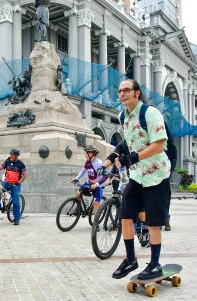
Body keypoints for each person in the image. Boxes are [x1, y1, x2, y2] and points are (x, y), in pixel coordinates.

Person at [108, 79, 171, 280]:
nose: (122, 94)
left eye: (126, 90)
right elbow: (130, 139)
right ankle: (131, 259)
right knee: (125, 216)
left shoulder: (150, 113)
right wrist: (113, 156)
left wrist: (133, 158)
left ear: (137, 93)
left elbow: (159, 145)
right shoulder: (122, 116)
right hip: (137, 176)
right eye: (119, 91)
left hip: (156, 176)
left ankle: (154, 264)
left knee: (153, 222)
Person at [103, 140, 150, 248]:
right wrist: (104, 169)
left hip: (138, 181)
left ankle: (145, 227)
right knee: (125, 211)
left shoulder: (134, 153)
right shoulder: (119, 157)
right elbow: (113, 165)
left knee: (140, 211)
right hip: (123, 184)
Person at [0, 149, 27, 225]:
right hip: (6, 183)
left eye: (12, 154)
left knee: (16, 202)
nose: (11, 156)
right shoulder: (7, 161)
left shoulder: (21, 164)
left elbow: (25, 175)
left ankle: (16, 219)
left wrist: (19, 182)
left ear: (16, 156)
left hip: (15, 185)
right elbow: (0, 168)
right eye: (10, 154)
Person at [72, 145, 108, 215]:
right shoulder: (87, 162)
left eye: (86, 153)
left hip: (98, 185)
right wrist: (76, 178)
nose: (85, 155)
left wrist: (96, 184)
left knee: (96, 204)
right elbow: (83, 171)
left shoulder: (99, 163)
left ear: (91, 154)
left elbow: (106, 176)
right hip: (89, 183)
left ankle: (95, 223)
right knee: (78, 193)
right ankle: (79, 209)